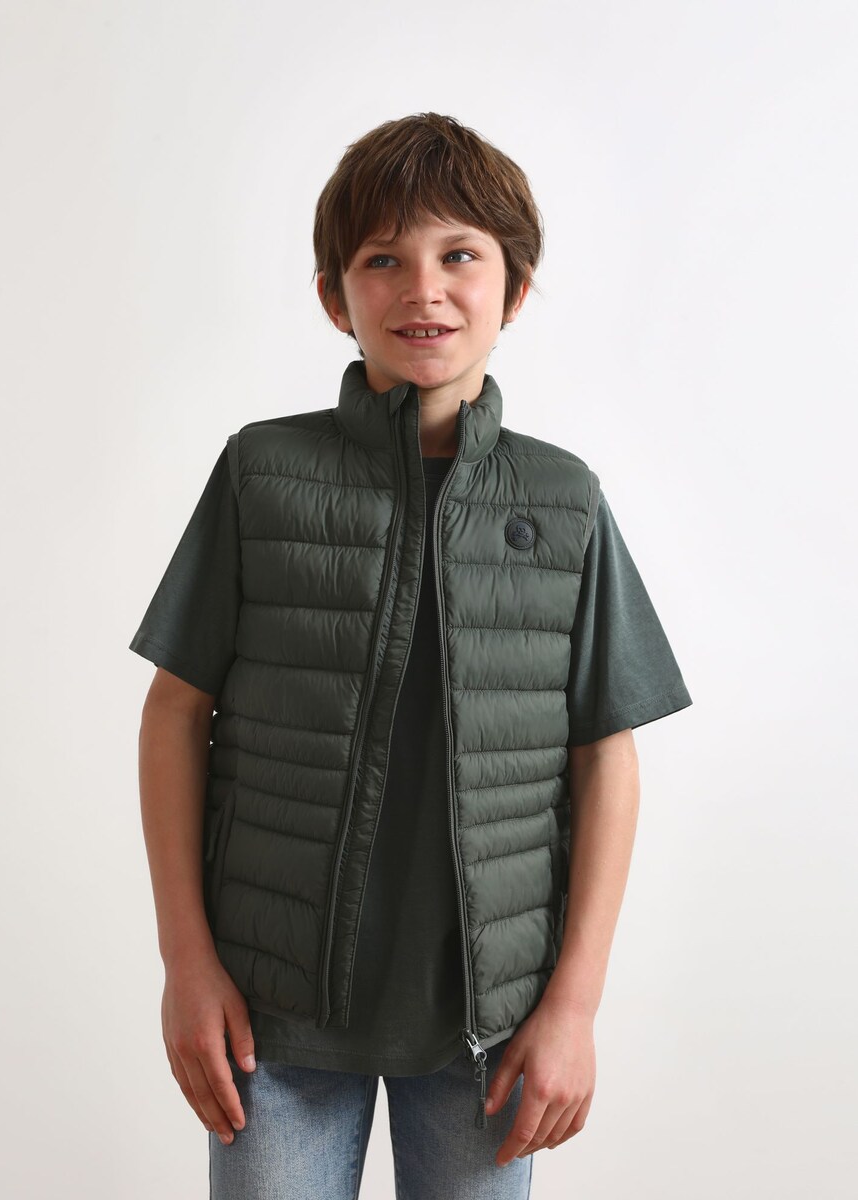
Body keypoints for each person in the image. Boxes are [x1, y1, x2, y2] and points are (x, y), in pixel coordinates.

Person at [129, 112, 693, 1199]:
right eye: (383, 259)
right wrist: (185, 964)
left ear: (514, 290)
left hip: (489, 1023)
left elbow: (606, 755)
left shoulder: (564, 499)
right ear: (334, 296)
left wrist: (574, 1007)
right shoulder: (261, 475)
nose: (422, 289)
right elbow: (173, 712)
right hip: (271, 1013)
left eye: (460, 255)